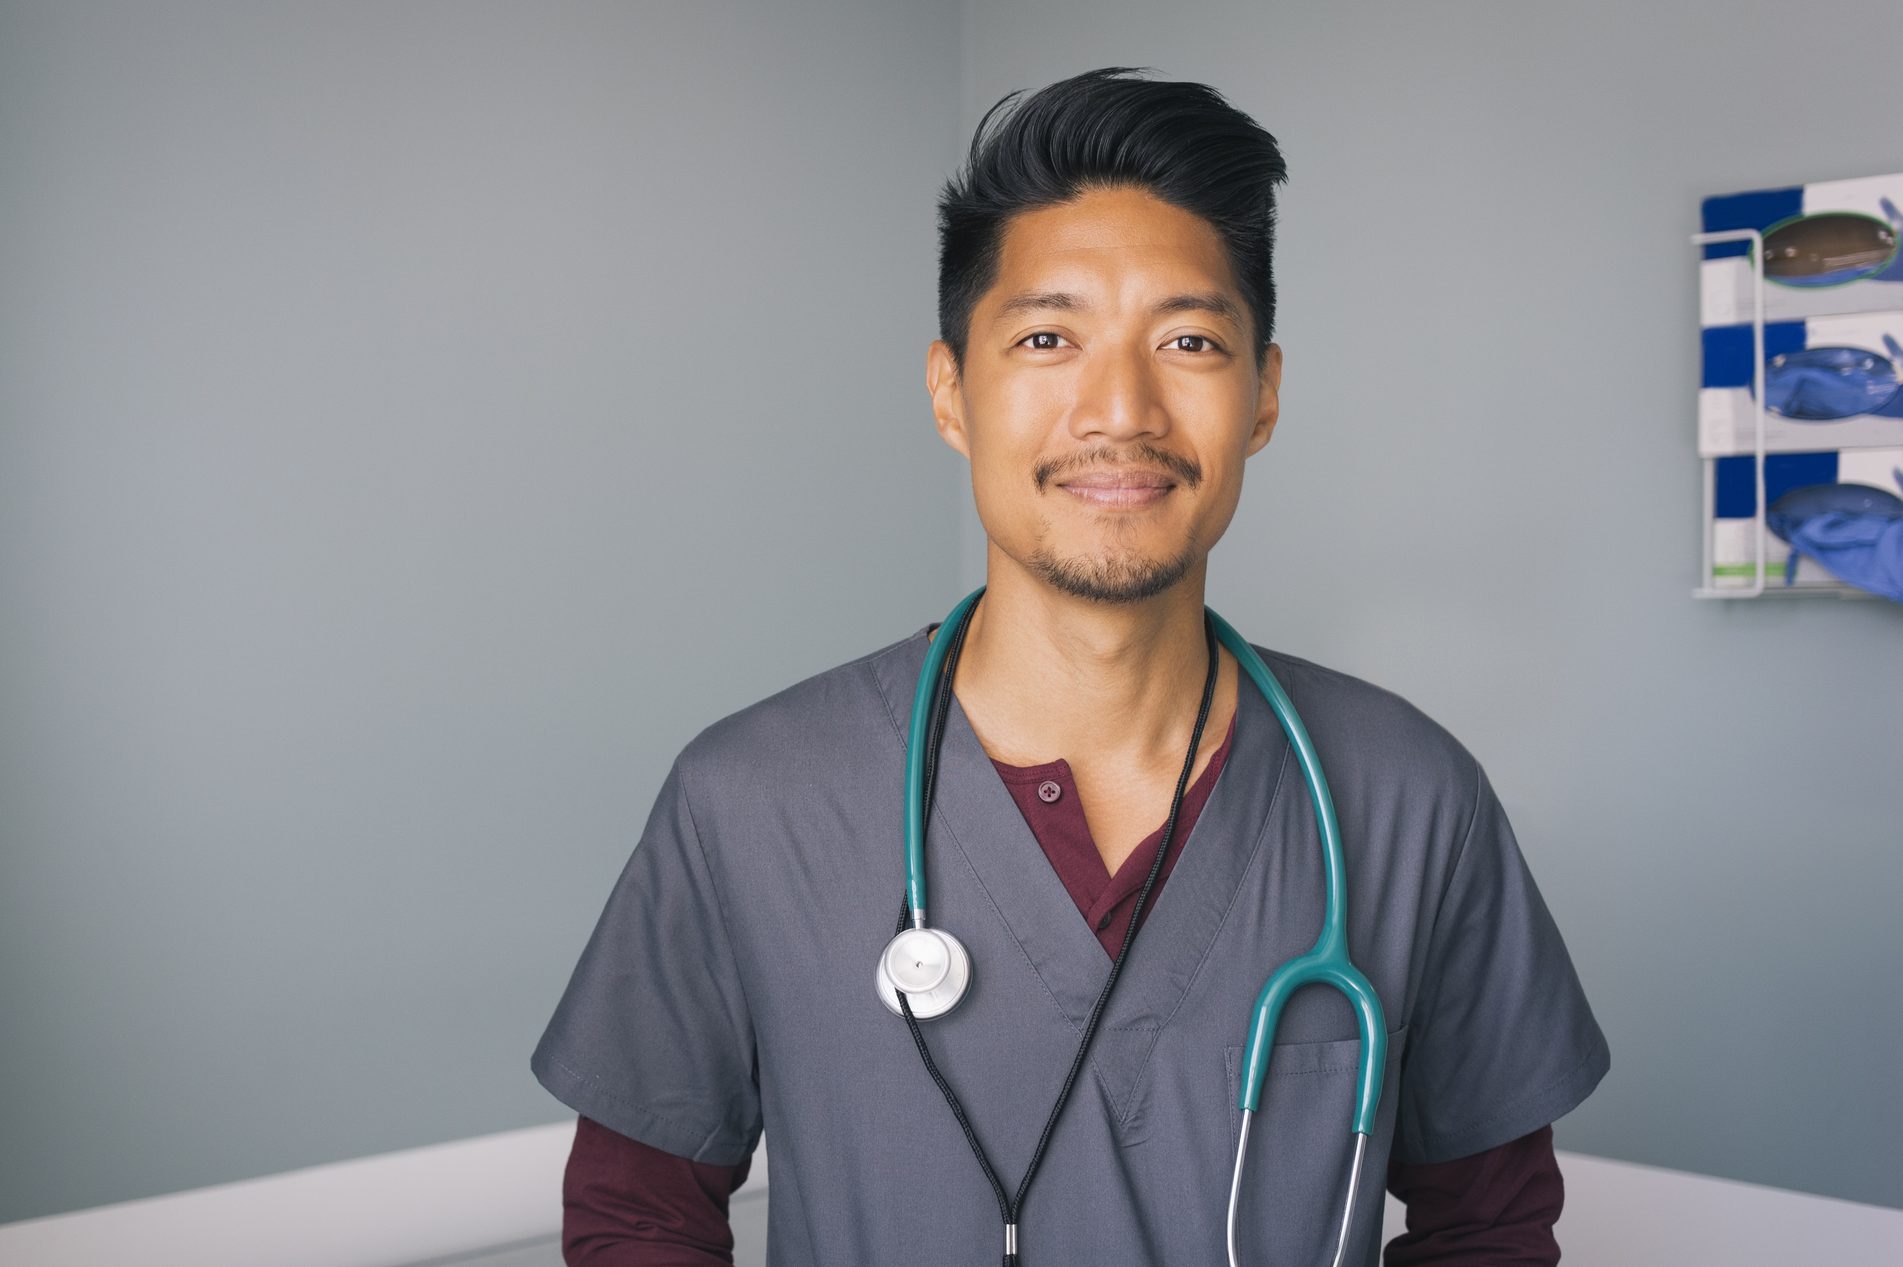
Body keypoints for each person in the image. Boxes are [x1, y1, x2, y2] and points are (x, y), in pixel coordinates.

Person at [532, 67, 1609, 1266]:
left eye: (1189, 339)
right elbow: (638, 1221)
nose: (1120, 407)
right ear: (951, 392)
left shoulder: (1410, 795)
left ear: (1262, 396)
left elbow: (1493, 1229)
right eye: (1047, 337)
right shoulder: (751, 799)